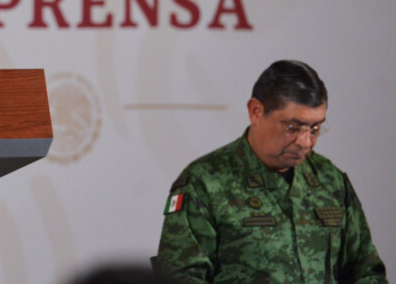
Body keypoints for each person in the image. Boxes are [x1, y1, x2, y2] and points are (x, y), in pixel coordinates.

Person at [155, 60, 387, 283]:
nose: (305, 142)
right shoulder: (205, 182)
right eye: (292, 127)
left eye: (315, 128)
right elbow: (180, 276)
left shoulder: (329, 180)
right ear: (256, 111)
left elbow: (366, 271)